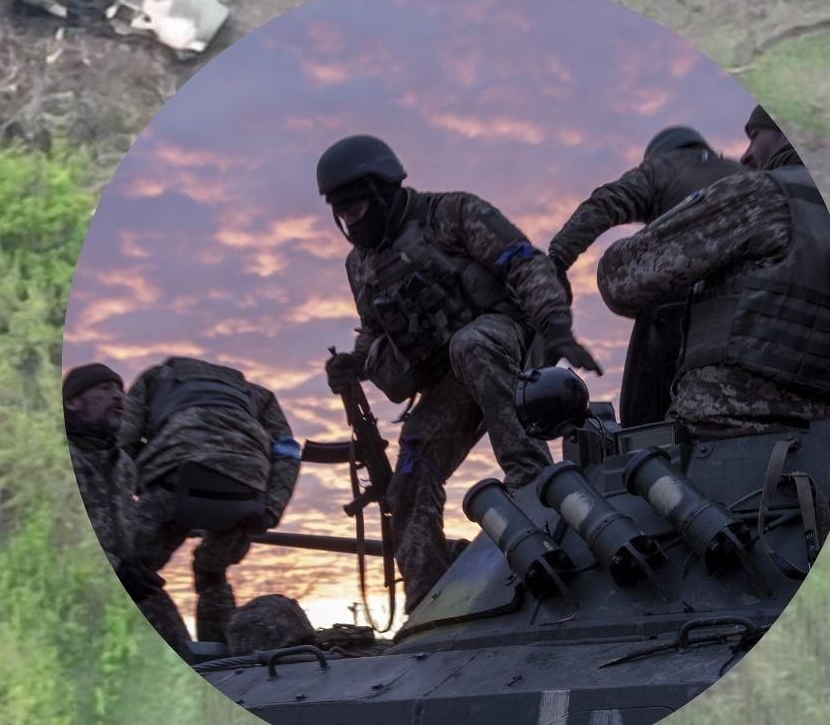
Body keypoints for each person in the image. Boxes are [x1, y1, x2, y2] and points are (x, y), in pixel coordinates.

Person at [316, 134, 600, 611]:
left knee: (472, 344)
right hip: (449, 380)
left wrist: (555, 325)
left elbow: (524, 263)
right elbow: (373, 329)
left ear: (383, 192)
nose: (351, 222)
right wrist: (353, 363)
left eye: (358, 209)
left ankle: (532, 487)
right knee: (410, 475)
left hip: (507, 345)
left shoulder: (452, 213)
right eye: (342, 214)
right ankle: (428, 603)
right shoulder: (359, 265)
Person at [599, 105, 830, 439]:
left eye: (754, 137)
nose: (746, 157)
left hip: (725, 436)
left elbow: (619, 279)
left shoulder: (758, 194)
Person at [546, 125, 746, 424]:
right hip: (748, 304)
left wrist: (558, 258)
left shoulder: (660, 169)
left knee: (643, 423)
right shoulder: (744, 171)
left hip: (675, 309)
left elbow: (606, 202)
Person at [118, 355, 301, 649]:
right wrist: (271, 508)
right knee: (211, 571)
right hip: (246, 489)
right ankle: (224, 655)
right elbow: (288, 451)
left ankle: (174, 650)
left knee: (134, 571)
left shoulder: (155, 378)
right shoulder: (258, 394)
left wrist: (122, 503)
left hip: (175, 477)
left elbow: (121, 443)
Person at [64, 362, 194, 656]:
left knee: (181, 650)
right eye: (105, 389)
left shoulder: (122, 463)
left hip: (123, 577)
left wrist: (134, 564)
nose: (119, 397)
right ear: (73, 402)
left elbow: (126, 521)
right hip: (71, 584)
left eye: (121, 391)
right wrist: (115, 568)